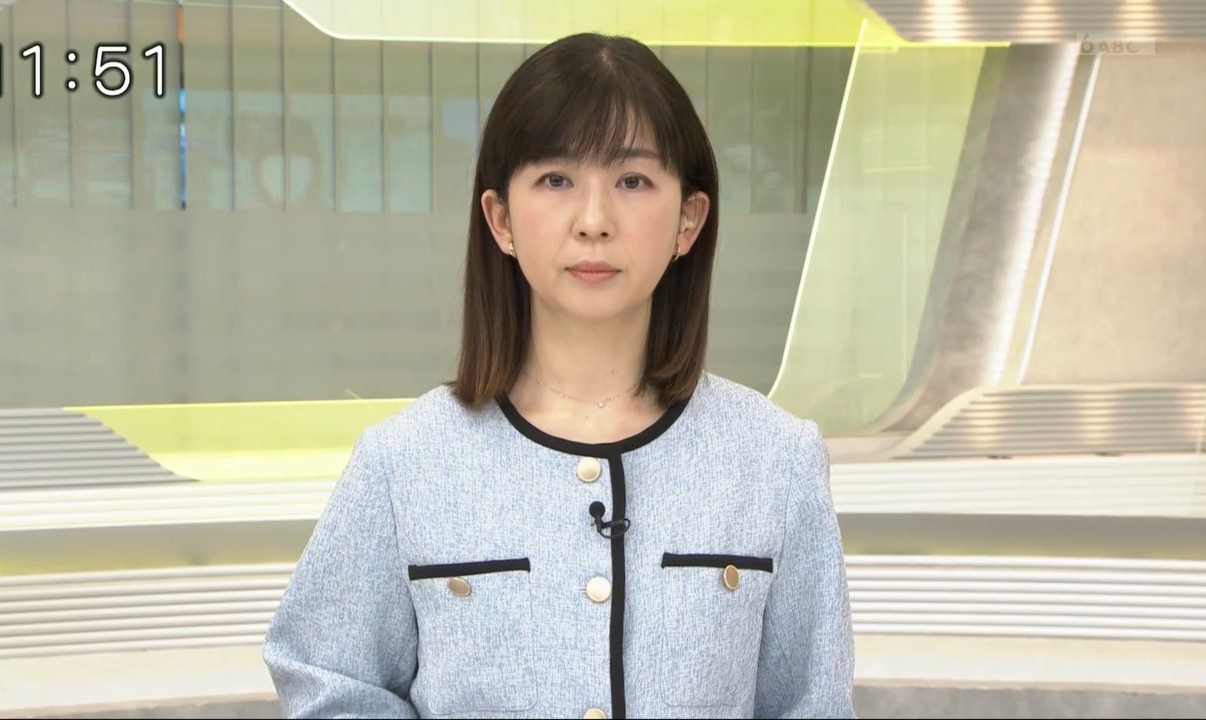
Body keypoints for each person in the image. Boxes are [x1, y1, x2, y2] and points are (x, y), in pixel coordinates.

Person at [262, 31, 856, 720]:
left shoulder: (776, 459)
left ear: (688, 220)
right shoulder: (403, 463)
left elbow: (812, 705)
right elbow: (328, 685)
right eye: (555, 180)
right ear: (501, 220)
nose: (593, 221)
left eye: (632, 181)